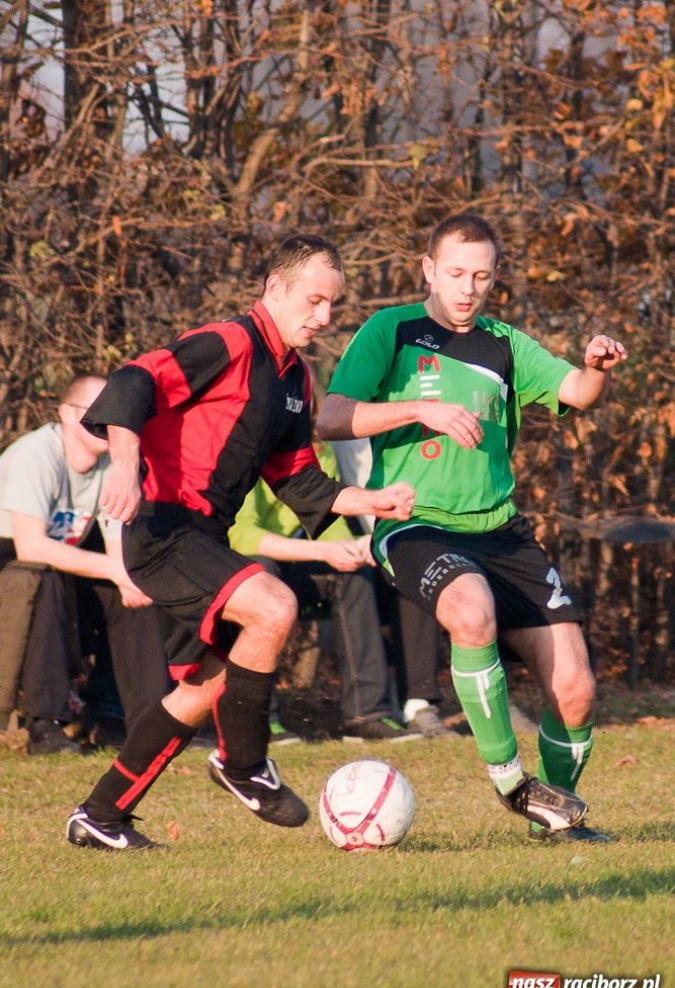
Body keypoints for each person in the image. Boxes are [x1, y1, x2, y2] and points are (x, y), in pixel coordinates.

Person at [66, 234, 415, 851]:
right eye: (313, 301)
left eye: (333, 305)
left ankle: (101, 816)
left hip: (202, 539)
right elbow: (133, 379)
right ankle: (244, 765)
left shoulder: (295, 379)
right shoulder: (229, 342)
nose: (324, 317)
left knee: (203, 688)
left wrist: (368, 501)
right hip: (161, 527)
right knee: (273, 604)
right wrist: (124, 464)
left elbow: (297, 478)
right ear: (274, 289)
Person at [317, 213, 627, 843]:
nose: (467, 288)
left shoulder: (505, 344)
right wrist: (419, 409)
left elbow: (576, 390)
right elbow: (330, 417)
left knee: (576, 687)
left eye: (481, 276)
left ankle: (555, 814)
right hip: (415, 523)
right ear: (429, 269)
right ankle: (511, 780)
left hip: (503, 532)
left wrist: (597, 366)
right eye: (455, 273)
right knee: (471, 609)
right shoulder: (391, 330)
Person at [0, 375, 171, 754]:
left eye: (112, 414)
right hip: (14, 566)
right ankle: (46, 726)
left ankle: (147, 727)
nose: (105, 422)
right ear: (64, 414)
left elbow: (114, 546)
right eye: (92, 413)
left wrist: (125, 579)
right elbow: (29, 547)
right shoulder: (37, 455)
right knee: (43, 582)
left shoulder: (114, 462)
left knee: (132, 592)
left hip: (56, 567)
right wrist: (113, 570)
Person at [228, 442, 421, 742]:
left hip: (296, 567)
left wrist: (353, 548)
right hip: (242, 571)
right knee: (260, 570)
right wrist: (323, 549)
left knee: (352, 572)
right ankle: (260, 718)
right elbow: (242, 537)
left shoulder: (319, 449)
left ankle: (366, 715)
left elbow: (326, 523)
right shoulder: (245, 446)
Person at [332, 437, 456, 738]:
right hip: (344, 543)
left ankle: (419, 703)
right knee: (380, 565)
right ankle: (368, 710)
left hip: (371, 535)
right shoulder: (337, 426)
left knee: (417, 560)